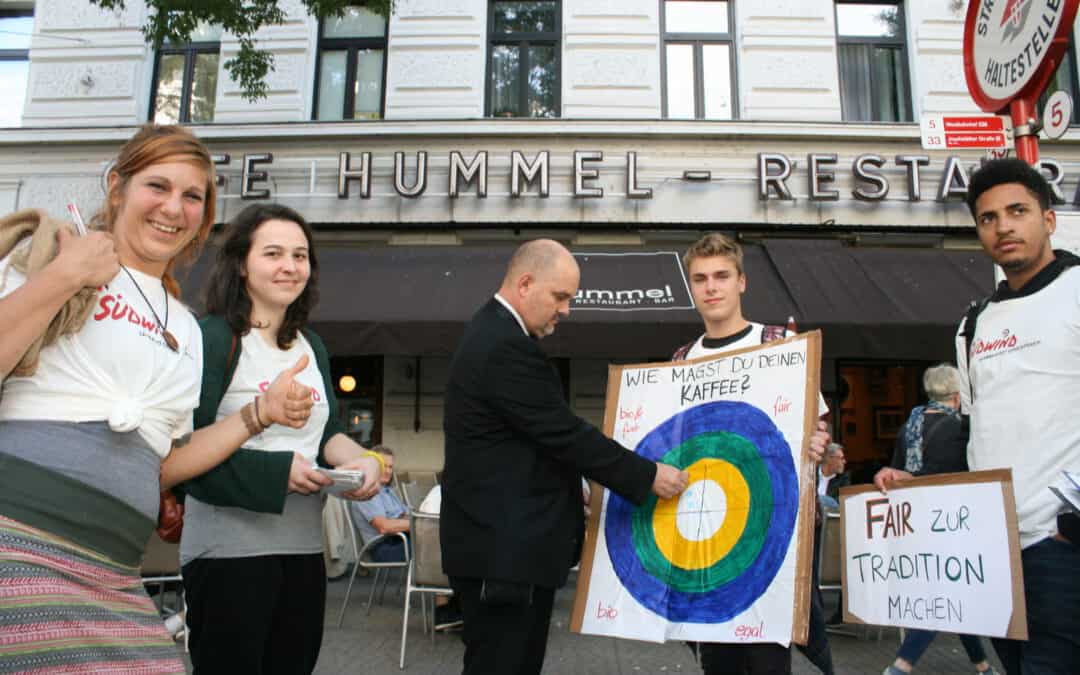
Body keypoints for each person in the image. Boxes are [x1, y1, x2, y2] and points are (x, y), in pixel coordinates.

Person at [0, 125, 314, 672]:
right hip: (21, 544)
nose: (174, 208)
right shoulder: (57, 254)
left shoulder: (188, 329)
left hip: (116, 569)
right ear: (116, 187)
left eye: (193, 197)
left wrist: (258, 414)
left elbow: (162, 463)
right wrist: (67, 276)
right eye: (158, 186)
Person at [442, 239, 690, 675]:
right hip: (504, 559)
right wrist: (647, 474)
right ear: (524, 284)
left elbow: (528, 441)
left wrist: (573, 487)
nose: (566, 310)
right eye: (560, 297)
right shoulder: (503, 345)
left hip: (504, 555)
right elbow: (564, 433)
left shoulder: (496, 333)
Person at [878, 158, 1080, 674]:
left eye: (1018, 211)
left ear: (1049, 219)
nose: (1004, 226)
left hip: (1062, 548)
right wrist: (919, 483)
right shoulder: (974, 323)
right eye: (988, 218)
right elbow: (974, 433)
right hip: (994, 550)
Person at [178, 202, 383, 674]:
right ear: (241, 264)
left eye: (300, 255)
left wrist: (362, 459)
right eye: (273, 253)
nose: (290, 266)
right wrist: (278, 472)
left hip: (304, 549)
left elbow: (326, 431)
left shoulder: (312, 345)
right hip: (228, 552)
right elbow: (181, 452)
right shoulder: (211, 338)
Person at [673, 232, 831, 675]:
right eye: (701, 278)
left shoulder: (778, 343)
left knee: (767, 663)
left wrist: (819, 444)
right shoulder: (681, 359)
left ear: (741, 281)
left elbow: (818, 427)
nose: (711, 287)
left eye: (722, 275)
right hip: (709, 534)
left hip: (772, 530)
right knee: (718, 664)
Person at [875, 364, 995, 675]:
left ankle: (982, 666)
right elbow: (949, 477)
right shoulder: (958, 429)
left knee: (953, 594)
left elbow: (897, 472)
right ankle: (900, 666)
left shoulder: (909, 425)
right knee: (947, 595)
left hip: (915, 523)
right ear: (957, 396)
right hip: (950, 522)